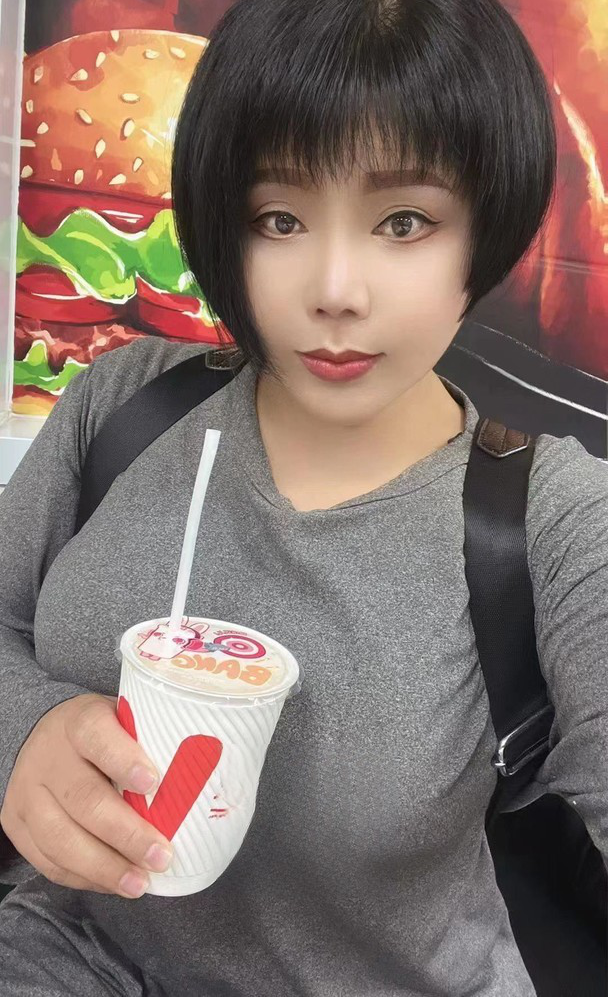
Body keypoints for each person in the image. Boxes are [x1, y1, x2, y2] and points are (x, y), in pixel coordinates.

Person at [0, 1, 606, 994]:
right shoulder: (123, 403)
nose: (334, 289)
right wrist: (23, 730)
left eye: (403, 222)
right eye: (279, 219)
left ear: (482, 233)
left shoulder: (556, 520)